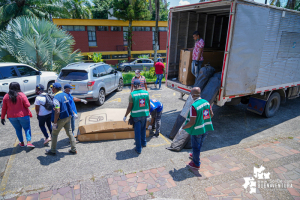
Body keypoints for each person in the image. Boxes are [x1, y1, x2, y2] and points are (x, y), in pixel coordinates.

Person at [182, 87, 214, 169]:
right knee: (200, 144)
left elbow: (192, 122)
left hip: (197, 131)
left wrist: (184, 127)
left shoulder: (193, 106)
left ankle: (196, 163)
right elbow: (212, 115)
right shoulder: (207, 103)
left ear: (192, 95)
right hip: (205, 128)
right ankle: (195, 154)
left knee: (196, 146)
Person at [45, 83, 77, 155]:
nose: (52, 89)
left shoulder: (56, 97)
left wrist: (55, 123)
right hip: (68, 116)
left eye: (52, 88)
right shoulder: (65, 94)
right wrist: (73, 114)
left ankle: (53, 150)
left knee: (54, 134)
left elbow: (57, 111)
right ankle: (73, 149)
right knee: (69, 132)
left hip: (61, 118)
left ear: (55, 88)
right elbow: (68, 106)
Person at [1, 82, 35, 148]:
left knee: (18, 129)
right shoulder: (21, 94)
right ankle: (29, 143)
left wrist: (2, 118)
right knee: (27, 128)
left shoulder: (6, 96)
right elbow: (27, 105)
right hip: (23, 115)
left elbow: (4, 108)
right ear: (18, 87)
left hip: (11, 117)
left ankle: (22, 143)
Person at [124, 80, 150, 154]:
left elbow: (129, 107)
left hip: (136, 117)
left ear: (134, 86)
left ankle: (138, 149)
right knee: (143, 130)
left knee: (137, 133)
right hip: (144, 115)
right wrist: (149, 113)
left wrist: (125, 116)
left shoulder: (132, 94)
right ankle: (144, 143)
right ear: (141, 85)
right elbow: (149, 104)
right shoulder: (146, 93)